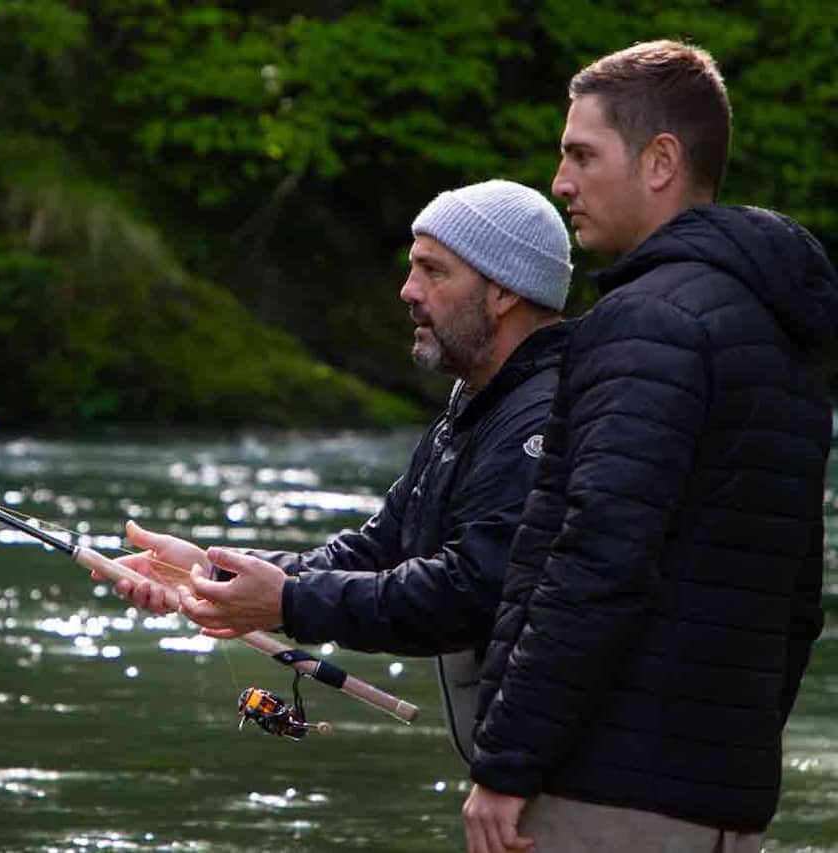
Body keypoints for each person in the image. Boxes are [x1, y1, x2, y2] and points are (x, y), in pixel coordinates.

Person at [461, 41, 838, 853]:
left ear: (660, 160)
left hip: (603, 794)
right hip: (724, 803)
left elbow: (595, 561)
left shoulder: (645, 323)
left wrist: (507, 760)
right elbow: (798, 592)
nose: (560, 182)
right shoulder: (783, 334)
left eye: (581, 154)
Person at [105, 180, 572, 762]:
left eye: (433, 271)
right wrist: (213, 572)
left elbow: (467, 593)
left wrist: (288, 604)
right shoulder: (477, 407)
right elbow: (379, 552)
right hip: (524, 768)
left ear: (502, 292)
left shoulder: (542, 416)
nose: (407, 290)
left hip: (570, 775)